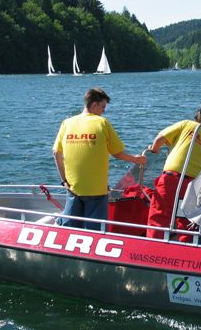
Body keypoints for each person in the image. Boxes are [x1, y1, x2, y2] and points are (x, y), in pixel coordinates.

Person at [53, 87, 146, 230]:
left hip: (72, 188)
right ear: (94, 104)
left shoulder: (67, 123)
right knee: (95, 231)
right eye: (103, 107)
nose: (104, 111)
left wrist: (64, 180)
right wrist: (135, 159)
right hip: (96, 191)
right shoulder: (102, 122)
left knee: (70, 228)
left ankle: (60, 225)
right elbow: (117, 153)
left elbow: (56, 153)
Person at [146, 99, 201, 241]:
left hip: (170, 179)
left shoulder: (186, 124)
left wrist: (154, 151)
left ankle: (153, 247)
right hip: (193, 188)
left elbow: (159, 139)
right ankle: (185, 248)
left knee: (159, 216)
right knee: (187, 221)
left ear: (197, 116)